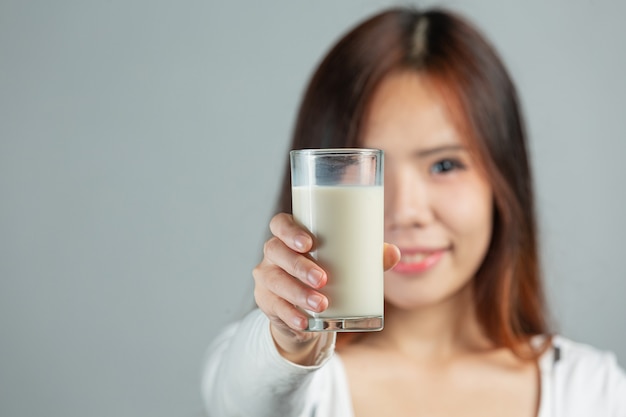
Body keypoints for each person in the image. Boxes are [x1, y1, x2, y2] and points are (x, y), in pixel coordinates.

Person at [202, 6, 626, 417]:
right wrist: (290, 336)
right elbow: (244, 399)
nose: (405, 211)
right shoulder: (290, 375)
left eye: (445, 165)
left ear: (503, 181)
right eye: (367, 171)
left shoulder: (594, 391)